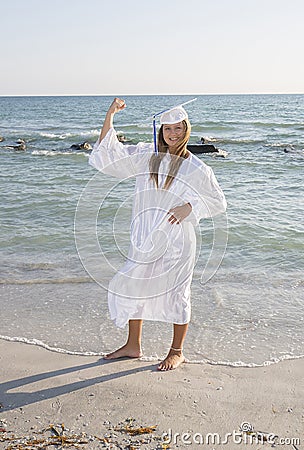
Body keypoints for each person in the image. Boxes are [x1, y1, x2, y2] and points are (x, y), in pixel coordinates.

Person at [89, 98, 227, 371]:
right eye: (168, 129)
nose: (173, 134)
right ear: (160, 131)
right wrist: (110, 115)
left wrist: (190, 206)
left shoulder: (197, 167)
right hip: (145, 238)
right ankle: (133, 345)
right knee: (134, 285)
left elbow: (218, 201)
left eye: (178, 128)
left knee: (177, 293)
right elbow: (109, 153)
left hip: (177, 243)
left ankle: (177, 351)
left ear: (186, 130)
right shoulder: (146, 155)